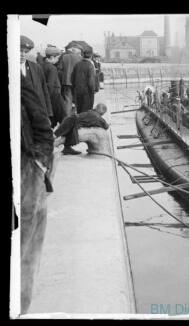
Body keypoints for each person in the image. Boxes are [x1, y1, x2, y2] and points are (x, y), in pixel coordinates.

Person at [20, 74, 55, 314]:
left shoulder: (18, 79)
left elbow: (41, 122)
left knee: (25, 253)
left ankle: (20, 308)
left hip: (25, 173)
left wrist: (40, 163)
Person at [21, 35, 54, 124]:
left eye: (26, 52)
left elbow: (44, 91)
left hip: (35, 113)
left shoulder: (36, 68)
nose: (23, 54)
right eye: (20, 51)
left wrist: (48, 114)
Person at [42, 45, 67, 128]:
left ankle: (48, 136)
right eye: (57, 58)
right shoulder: (52, 68)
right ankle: (68, 137)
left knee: (52, 118)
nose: (57, 60)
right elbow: (50, 84)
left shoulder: (41, 66)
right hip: (55, 95)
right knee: (64, 118)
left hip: (48, 96)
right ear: (52, 57)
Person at [57, 42, 83, 116]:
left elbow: (59, 68)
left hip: (66, 81)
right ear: (78, 51)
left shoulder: (65, 57)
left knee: (68, 100)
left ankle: (66, 117)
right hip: (77, 82)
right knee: (77, 100)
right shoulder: (80, 58)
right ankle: (77, 116)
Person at [71, 49, 96, 114]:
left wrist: (75, 87)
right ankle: (84, 123)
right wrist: (93, 89)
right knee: (87, 110)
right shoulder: (90, 65)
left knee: (79, 109)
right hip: (87, 91)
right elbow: (91, 80)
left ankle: (79, 122)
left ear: (82, 55)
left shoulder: (77, 64)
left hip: (78, 90)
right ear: (91, 56)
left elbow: (72, 77)